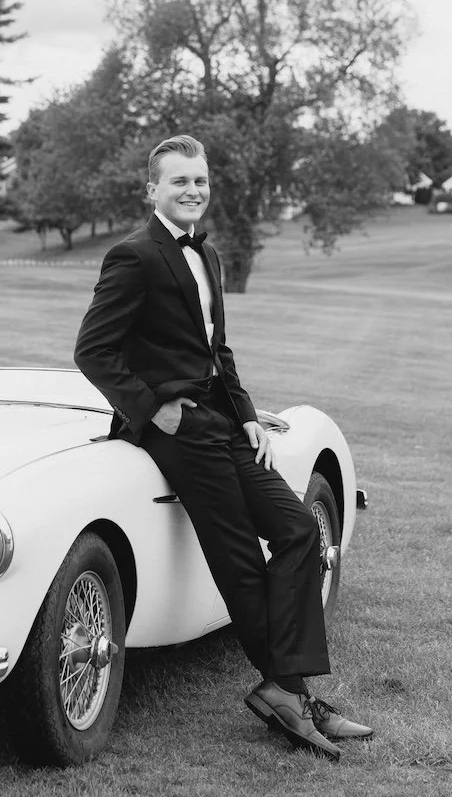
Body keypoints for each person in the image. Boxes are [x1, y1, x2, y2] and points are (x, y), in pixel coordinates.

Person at [73, 133, 372, 760]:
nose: (192, 192)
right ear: (152, 188)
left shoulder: (207, 257)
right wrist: (154, 410)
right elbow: (93, 351)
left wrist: (247, 417)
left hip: (224, 424)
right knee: (237, 557)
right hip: (176, 430)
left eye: (200, 182)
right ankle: (294, 695)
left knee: (296, 530)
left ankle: (285, 689)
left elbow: (217, 351)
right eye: (179, 181)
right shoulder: (133, 256)